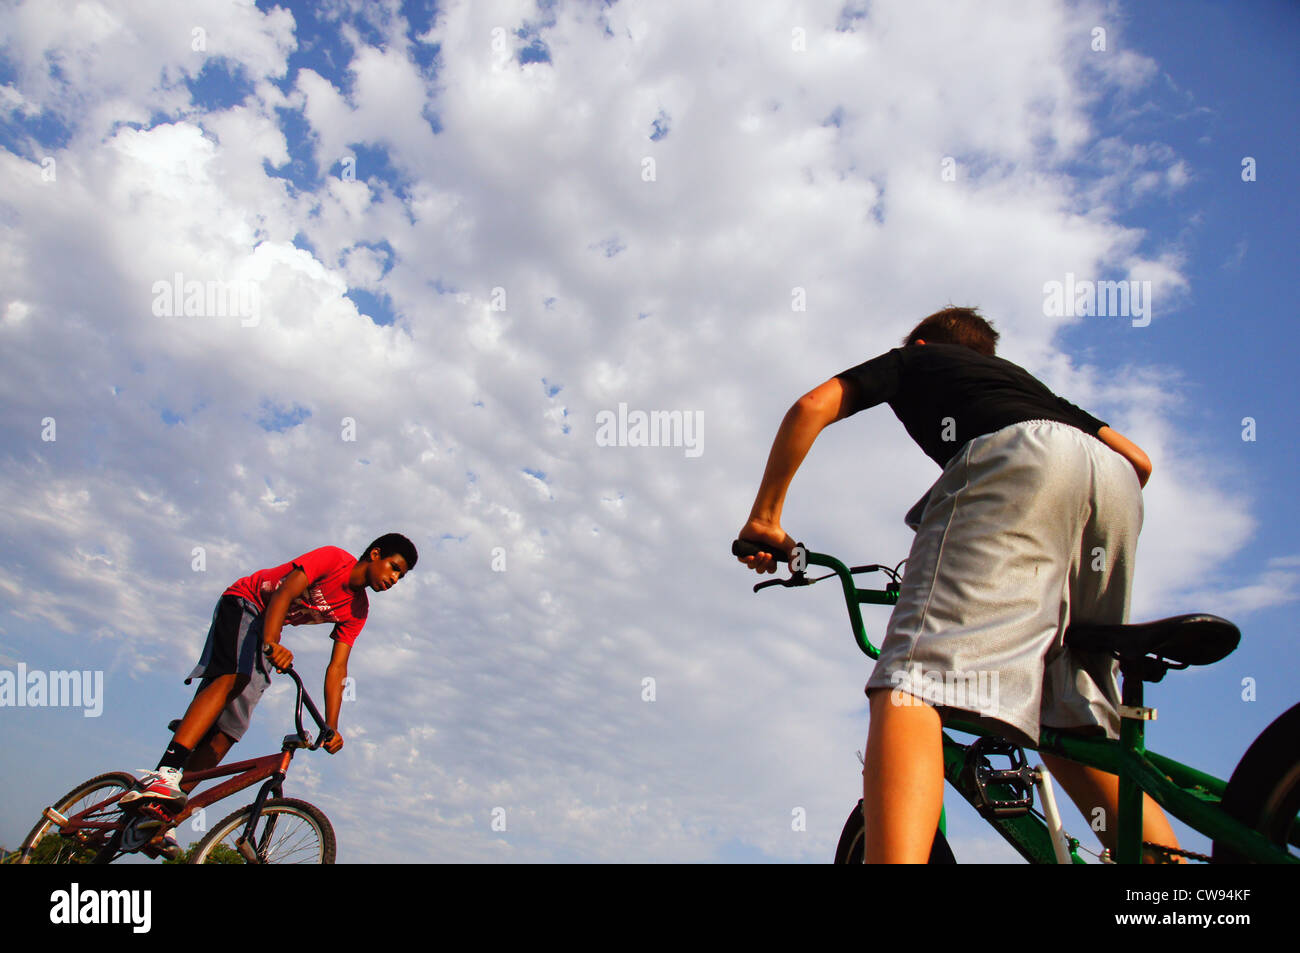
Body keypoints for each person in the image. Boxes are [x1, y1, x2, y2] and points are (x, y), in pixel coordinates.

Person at [736, 307, 1183, 863]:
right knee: (1070, 707)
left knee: (913, 683)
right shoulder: (1025, 384)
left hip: (1019, 460)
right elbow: (1137, 461)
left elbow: (812, 405)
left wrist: (765, 518)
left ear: (923, 341)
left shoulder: (918, 357)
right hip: (1113, 484)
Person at [123, 534, 418, 817]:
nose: (394, 579)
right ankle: (165, 772)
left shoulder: (357, 611)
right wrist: (273, 642)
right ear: (375, 554)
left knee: (230, 731)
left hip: (267, 631)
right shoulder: (333, 559)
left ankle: (163, 812)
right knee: (235, 677)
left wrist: (331, 725)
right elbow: (283, 593)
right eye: (394, 568)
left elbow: (338, 668)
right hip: (246, 603)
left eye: (400, 577)